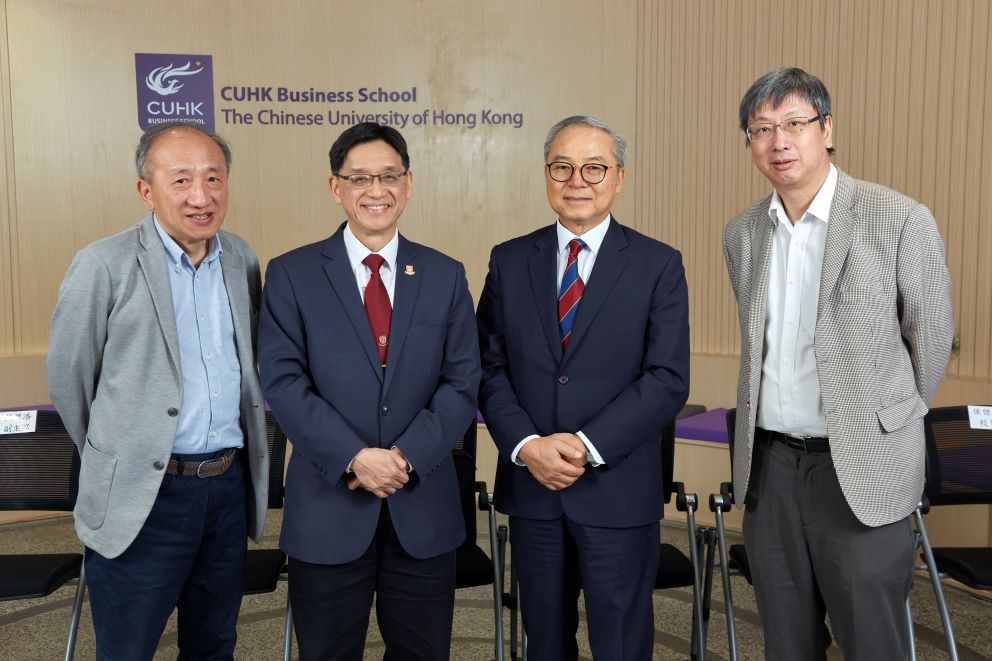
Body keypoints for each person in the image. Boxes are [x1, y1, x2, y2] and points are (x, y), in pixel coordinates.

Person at [723, 68, 954, 660]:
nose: (779, 142)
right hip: (770, 472)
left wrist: (883, 424)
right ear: (750, 142)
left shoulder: (899, 218)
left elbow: (929, 342)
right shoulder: (743, 234)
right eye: (762, 129)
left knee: (873, 643)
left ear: (827, 129)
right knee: (786, 643)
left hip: (860, 474)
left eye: (795, 124)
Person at [47, 120, 269, 660]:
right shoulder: (103, 264)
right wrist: (120, 452)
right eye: (182, 180)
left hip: (224, 489)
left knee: (214, 642)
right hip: (144, 495)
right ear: (146, 191)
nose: (202, 196)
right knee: (128, 647)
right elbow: (70, 380)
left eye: (214, 179)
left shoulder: (242, 260)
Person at [258, 122, 480, 660]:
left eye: (387, 176)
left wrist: (403, 457)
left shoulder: (444, 274)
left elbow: (462, 381)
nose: (374, 190)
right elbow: (284, 383)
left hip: (421, 506)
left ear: (408, 184)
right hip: (328, 506)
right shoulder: (291, 274)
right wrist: (356, 457)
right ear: (336, 187)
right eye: (359, 177)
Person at [476, 115, 690, 660]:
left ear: (619, 178)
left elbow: (667, 379)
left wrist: (583, 447)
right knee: (544, 643)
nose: (578, 180)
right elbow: (487, 367)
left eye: (594, 167)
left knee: (621, 644)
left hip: (616, 491)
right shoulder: (508, 260)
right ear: (546, 176)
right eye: (562, 167)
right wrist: (527, 446)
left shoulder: (658, 265)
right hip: (533, 492)